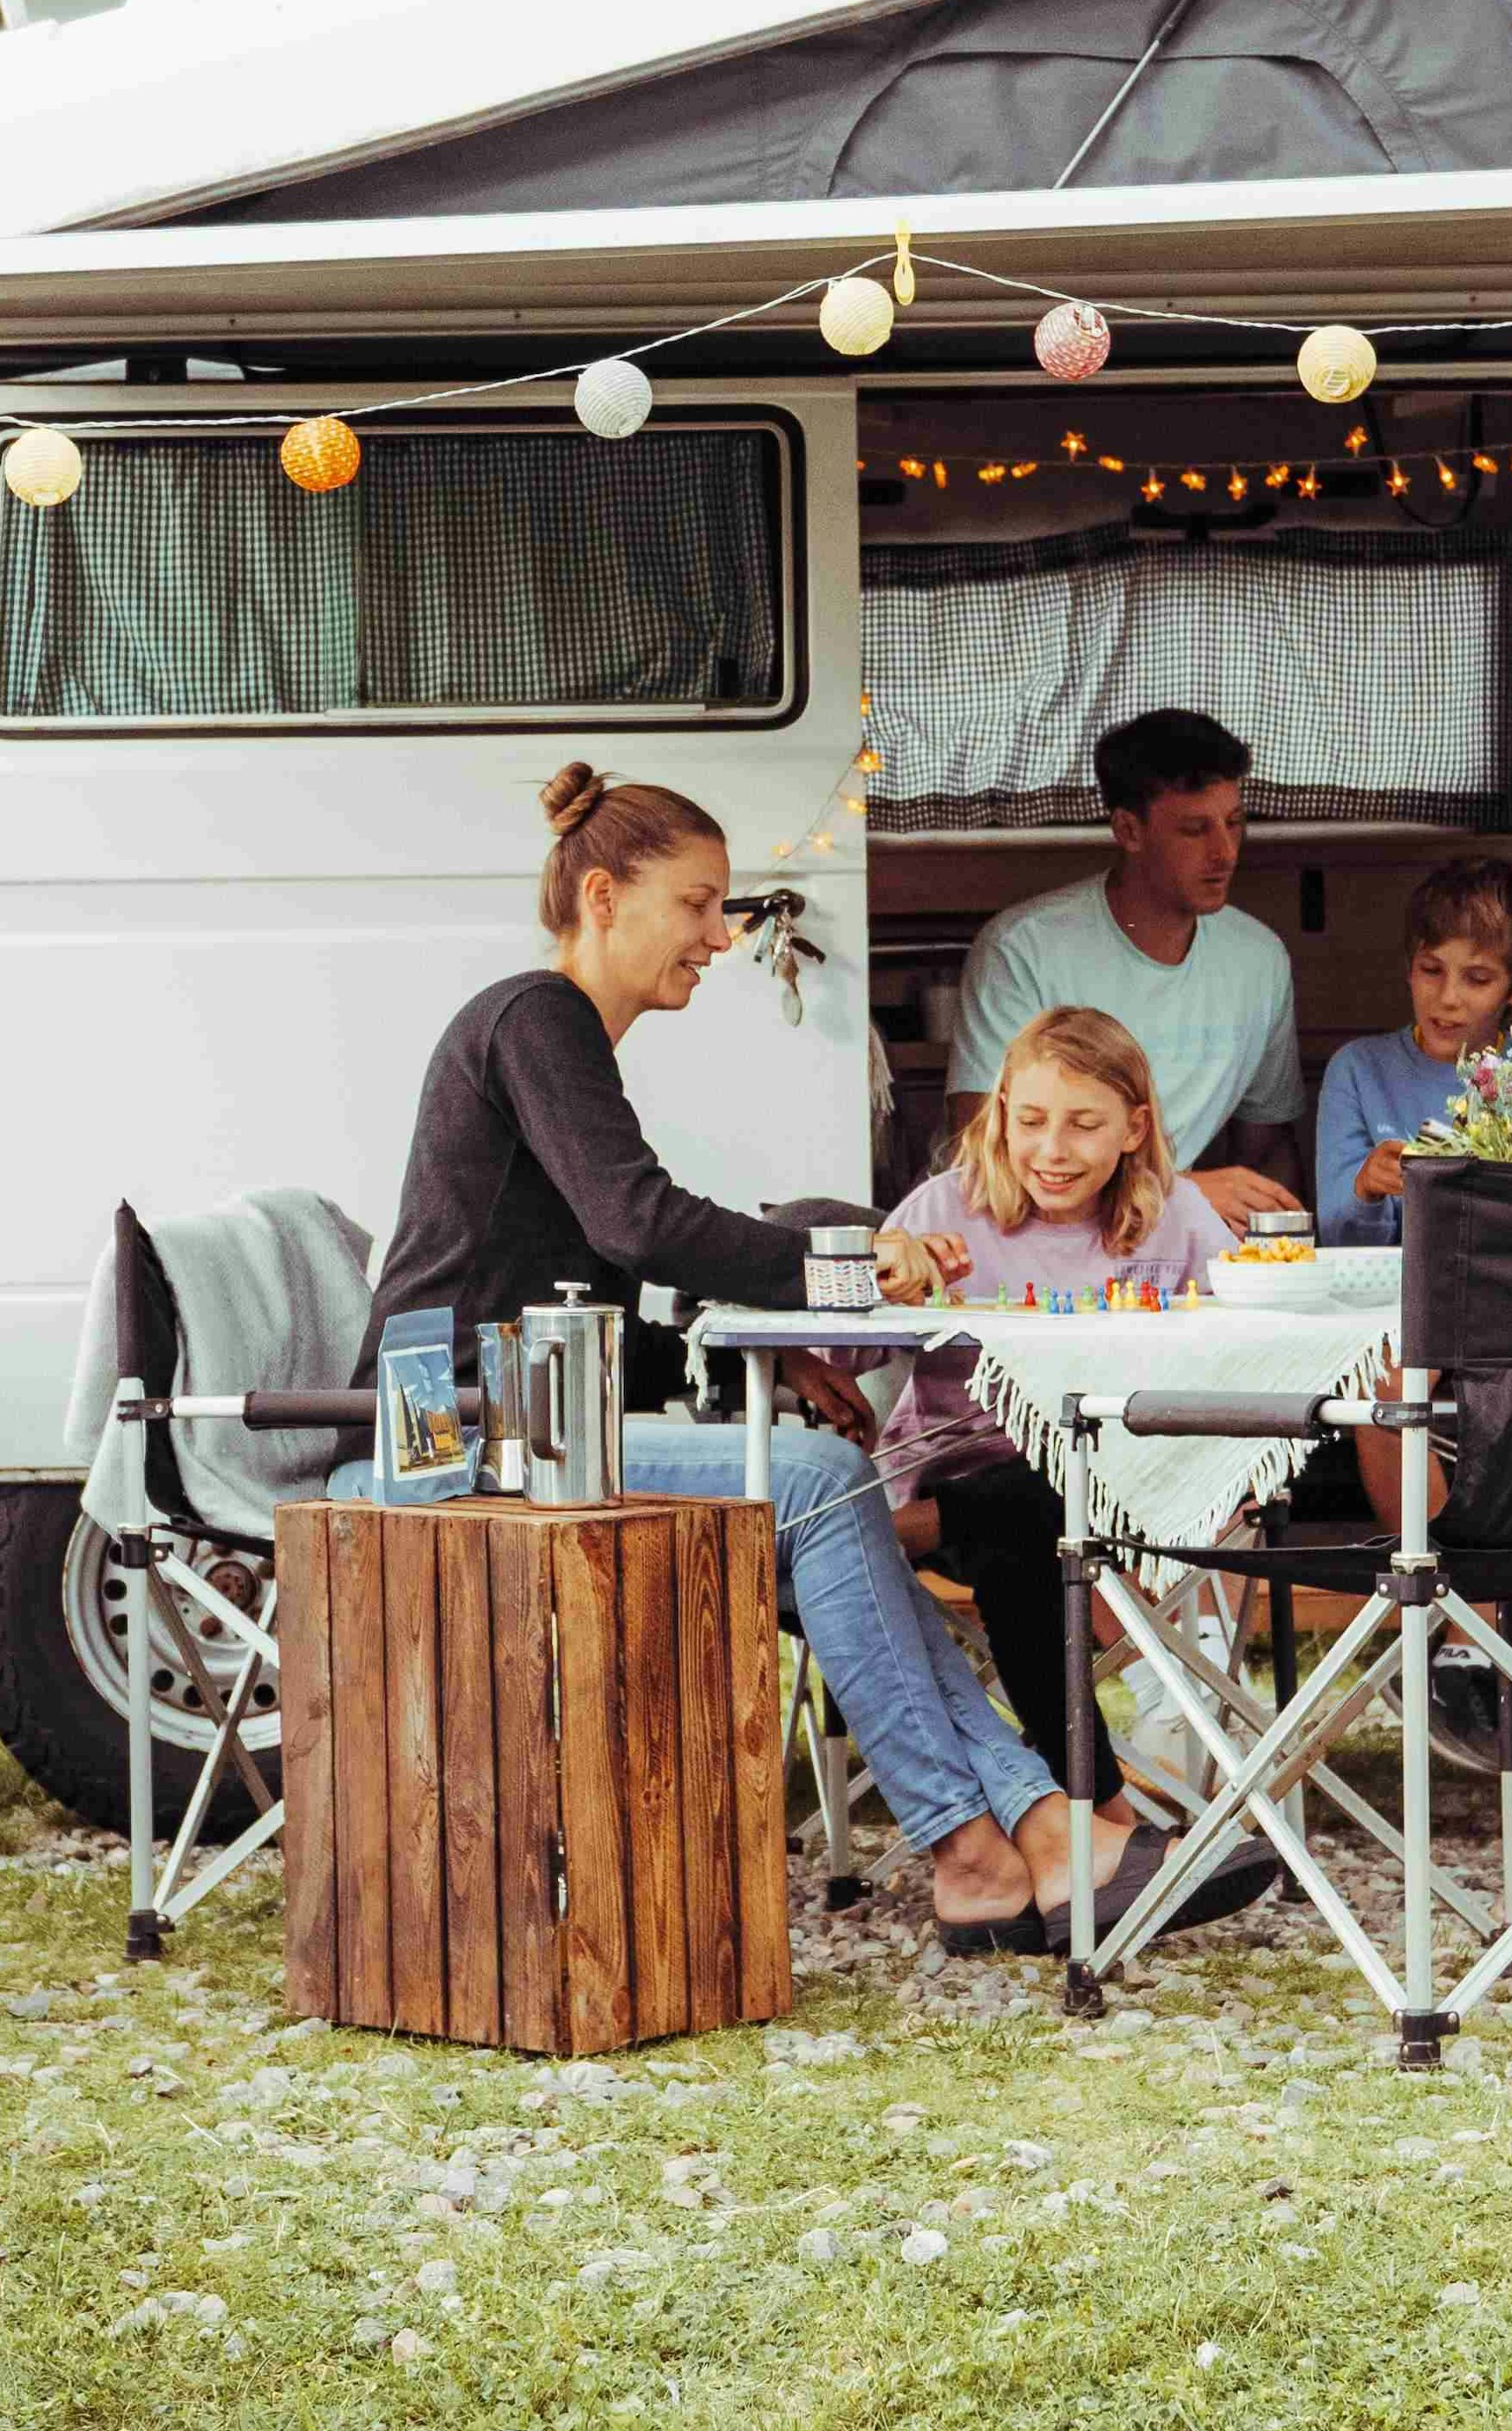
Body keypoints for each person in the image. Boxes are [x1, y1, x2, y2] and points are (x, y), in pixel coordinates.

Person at [381, 767, 1161, 1952]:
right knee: (814, 1483)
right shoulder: (538, 1018)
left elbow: (582, 1278)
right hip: (432, 1426)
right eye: (698, 904)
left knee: (821, 1500)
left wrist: (786, 1356)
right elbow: (638, 1219)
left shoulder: (550, 1032)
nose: (721, 934)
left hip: (513, 1405)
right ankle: (982, 1838)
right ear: (603, 895)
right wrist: (850, 1269)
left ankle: (1026, 1835)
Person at [868, 1004, 1226, 1769]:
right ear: (1000, 1114)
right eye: (1030, 1120)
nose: (1052, 1150)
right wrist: (893, 1284)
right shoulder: (942, 1210)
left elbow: (1245, 1347)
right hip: (965, 1472)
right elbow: (842, 1350)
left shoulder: (1178, 1215)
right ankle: (1105, 1785)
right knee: (1022, 1508)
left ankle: (1089, 1811)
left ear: (1133, 1128)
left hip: (1126, 1491)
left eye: (1083, 1125)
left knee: (1034, 1512)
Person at [938, 705, 1315, 1226]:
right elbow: (982, 1149)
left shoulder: (1260, 958)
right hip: (1020, 1234)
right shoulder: (1023, 948)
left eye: (1233, 824)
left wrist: (1275, 1246)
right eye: (1194, 830)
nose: (1225, 852)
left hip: (1173, 1239)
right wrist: (1181, 1193)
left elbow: (1268, 1145)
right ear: (1128, 830)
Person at [1314, 855, 1512, 1244]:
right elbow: (1337, 1238)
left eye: (1478, 979)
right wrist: (1367, 1187)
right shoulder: (1357, 1070)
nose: (1447, 998)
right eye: (1431, 970)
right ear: (1408, 968)